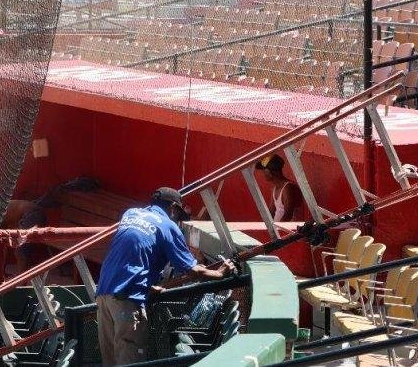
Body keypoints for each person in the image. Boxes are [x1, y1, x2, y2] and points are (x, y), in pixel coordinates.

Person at [95, 187, 232, 366]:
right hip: (127, 299)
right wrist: (220, 273)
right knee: (130, 360)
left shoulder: (131, 214)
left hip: (104, 293)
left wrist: (148, 286)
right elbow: (191, 269)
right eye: (177, 212)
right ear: (173, 207)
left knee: (110, 360)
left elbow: (132, 254)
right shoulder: (167, 226)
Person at [254, 154, 304, 222]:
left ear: (269, 172)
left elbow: (288, 215)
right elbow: (271, 212)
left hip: (288, 231)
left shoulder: (288, 188)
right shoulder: (275, 188)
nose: (263, 173)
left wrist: (278, 231)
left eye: (264, 170)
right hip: (279, 230)